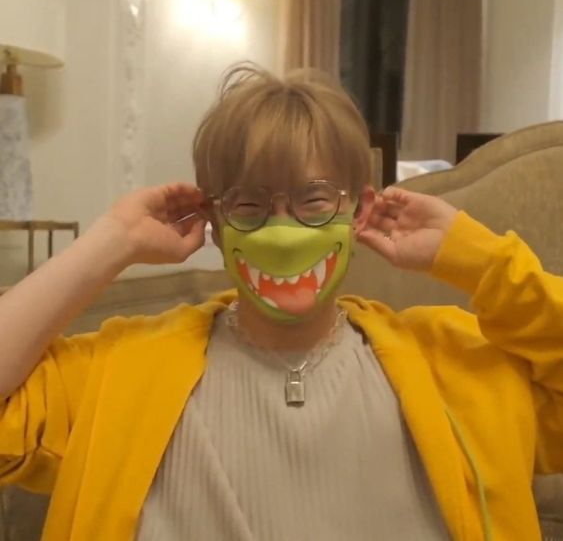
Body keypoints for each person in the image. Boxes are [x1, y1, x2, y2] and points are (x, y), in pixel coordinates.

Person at [0, 65, 561, 541]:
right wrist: (111, 241)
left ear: (358, 211)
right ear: (215, 220)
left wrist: (479, 259)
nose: (284, 231)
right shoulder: (123, 369)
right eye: (249, 204)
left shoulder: (456, 366)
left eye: (314, 200)